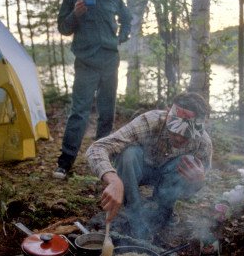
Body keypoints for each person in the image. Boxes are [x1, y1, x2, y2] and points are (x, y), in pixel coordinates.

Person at [86, 92, 213, 242]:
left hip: (168, 179)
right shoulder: (150, 121)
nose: (179, 138)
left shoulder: (203, 144)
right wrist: (113, 180)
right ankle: (133, 211)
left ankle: (163, 211)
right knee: (128, 154)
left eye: (187, 134)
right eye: (175, 130)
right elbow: (97, 148)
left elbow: (187, 194)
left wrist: (197, 183)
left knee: (189, 162)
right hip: (140, 170)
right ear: (168, 117)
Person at [53, 0, 132, 180]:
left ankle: (101, 161)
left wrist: (122, 36)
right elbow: (63, 28)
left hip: (109, 60)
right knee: (79, 112)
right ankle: (65, 164)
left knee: (107, 113)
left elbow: (127, 19)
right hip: (85, 62)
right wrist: (75, 15)